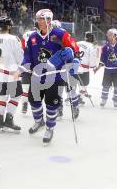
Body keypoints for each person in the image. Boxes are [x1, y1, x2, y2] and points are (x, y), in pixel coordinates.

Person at [18, 8, 80, 145]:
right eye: (38, 19)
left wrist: (70, 54)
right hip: (37, 75)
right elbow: (27, 54)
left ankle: (49, 128)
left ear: (49, 20)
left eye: (42, 19)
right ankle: (39, 121)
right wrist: (26, 64)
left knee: (52, 104)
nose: (39, 21)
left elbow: (75, 50)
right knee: (33, 101)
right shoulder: (33, 37)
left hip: (55, 76)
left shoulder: (60, 33)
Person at [0, 17, 24, 132]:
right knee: (16, 95)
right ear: (9, 26)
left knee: (1, 97)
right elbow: (20, 56)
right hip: (11, 73)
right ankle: (8, 121)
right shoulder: (14, 39)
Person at [94, 28, 117, 108]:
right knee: (105, 86)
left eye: (109, 34)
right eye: (107, 34)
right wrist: (97, 68)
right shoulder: (105, 47)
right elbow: (102, 60)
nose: (107, 35)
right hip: (108, 71)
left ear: (115, 35)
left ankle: (116, 101)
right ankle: (104, 99)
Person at [75, 32, 98, 105]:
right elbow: (92, 57)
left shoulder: (78, 43)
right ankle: (80, 97)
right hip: (84, 68)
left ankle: (72, 95)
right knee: (84, 83)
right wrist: (93, 66)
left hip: (74, 66)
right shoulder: (92, 46)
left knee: (75, 82)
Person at [20, 28, 35, 114]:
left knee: (25, 87)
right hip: (37, 64)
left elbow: (22, 48)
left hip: (26, 63)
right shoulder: (40, 35)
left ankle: (25, 104)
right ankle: (35, 106)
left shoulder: (25, 35)